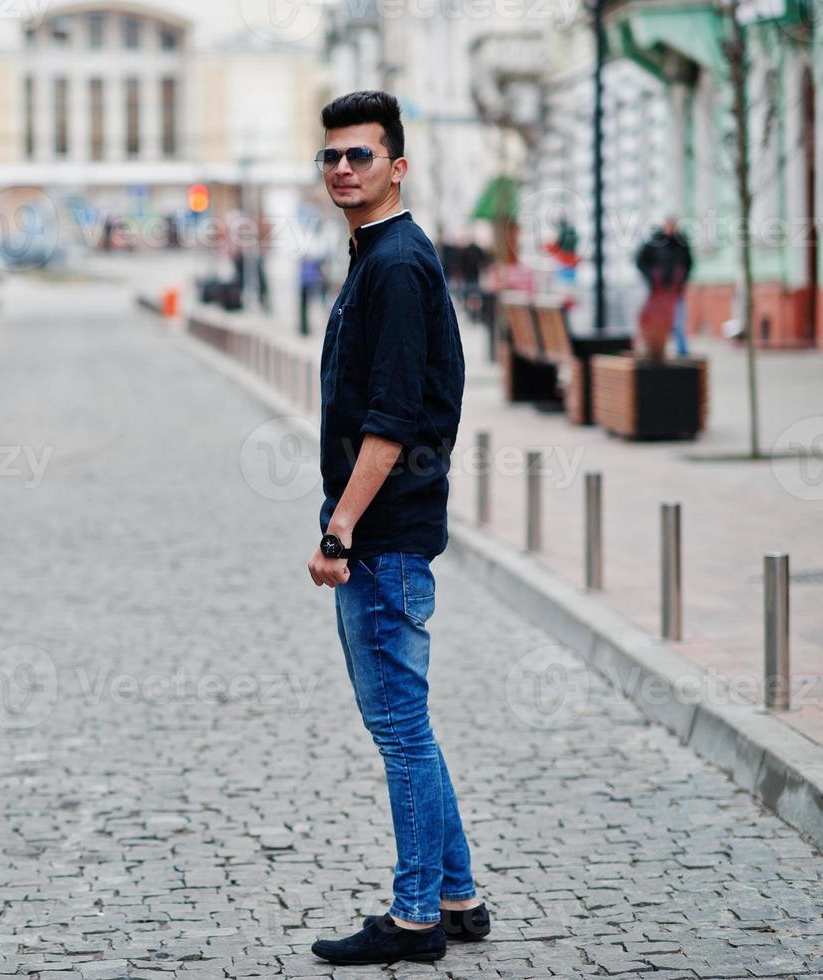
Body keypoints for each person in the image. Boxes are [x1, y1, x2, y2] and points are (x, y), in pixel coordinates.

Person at [305, 90, 483, 967]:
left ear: (396, 166)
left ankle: (414, 918)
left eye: (359, 156)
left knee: (401, 732)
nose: (342, 169)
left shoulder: (398, 265)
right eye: (331, 157)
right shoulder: (376, 255)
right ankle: (457, 893)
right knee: (409, 723)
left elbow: (393, 417)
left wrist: (339, 530)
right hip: (389, 531)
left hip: (383, 537)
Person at [636, 218, 693, 356]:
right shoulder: (654, 242)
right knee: (652, 320)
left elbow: (689, 263)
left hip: (675, 290)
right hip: (655, 290)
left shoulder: (681, 243)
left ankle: (682, 350)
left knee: (678, 320)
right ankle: (652, 350)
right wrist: (651, 275)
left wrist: (682, 278)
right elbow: (640, 261)